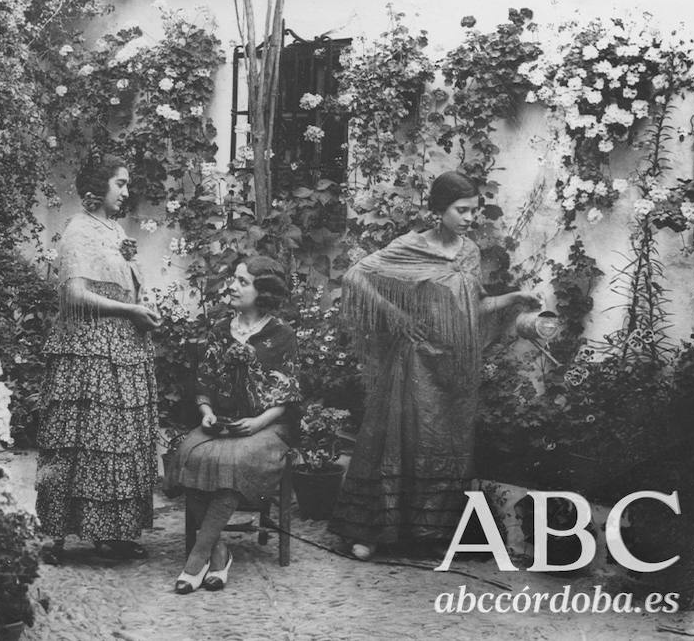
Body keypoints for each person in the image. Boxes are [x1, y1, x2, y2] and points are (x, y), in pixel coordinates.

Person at [328, 171, 540, 561]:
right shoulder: (410, 246)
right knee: (399, 442)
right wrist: (397, 316)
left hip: (454, 368)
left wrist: (514, 298)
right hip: (414, 363)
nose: (469, 218)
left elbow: (475, 307)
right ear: (439, 210)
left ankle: (430, 532)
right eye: (461, 210)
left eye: (474, 210)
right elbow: (357, 277)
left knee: (443, 446)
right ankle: (372, 532)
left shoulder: (470, 252)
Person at [36, 153, 163, 562]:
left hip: (124, 348)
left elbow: (120, 283)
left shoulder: (113, 229)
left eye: (127, 184)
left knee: (119, 442)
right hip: (90, 351)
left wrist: (139, 306)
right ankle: (63, 534)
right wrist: (130, 311)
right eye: (119, 184)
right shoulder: (79, 230)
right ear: (97, 188)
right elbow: (74, 295)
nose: (126, 192)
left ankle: (114, 532)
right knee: (85, 440)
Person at [171, 255, 300, 593]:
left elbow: (287, 394)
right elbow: (204, 382)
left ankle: (197, 557)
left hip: (267, 426)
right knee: (188, 454)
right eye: (234, 279)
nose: (232, 286)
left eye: (242, 282)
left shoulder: (282, 334)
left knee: (233, 461)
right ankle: (218, 553)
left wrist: (257, 423)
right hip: (222, 423)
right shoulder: (219, 330)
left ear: (264, 291)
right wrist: (206, 412)